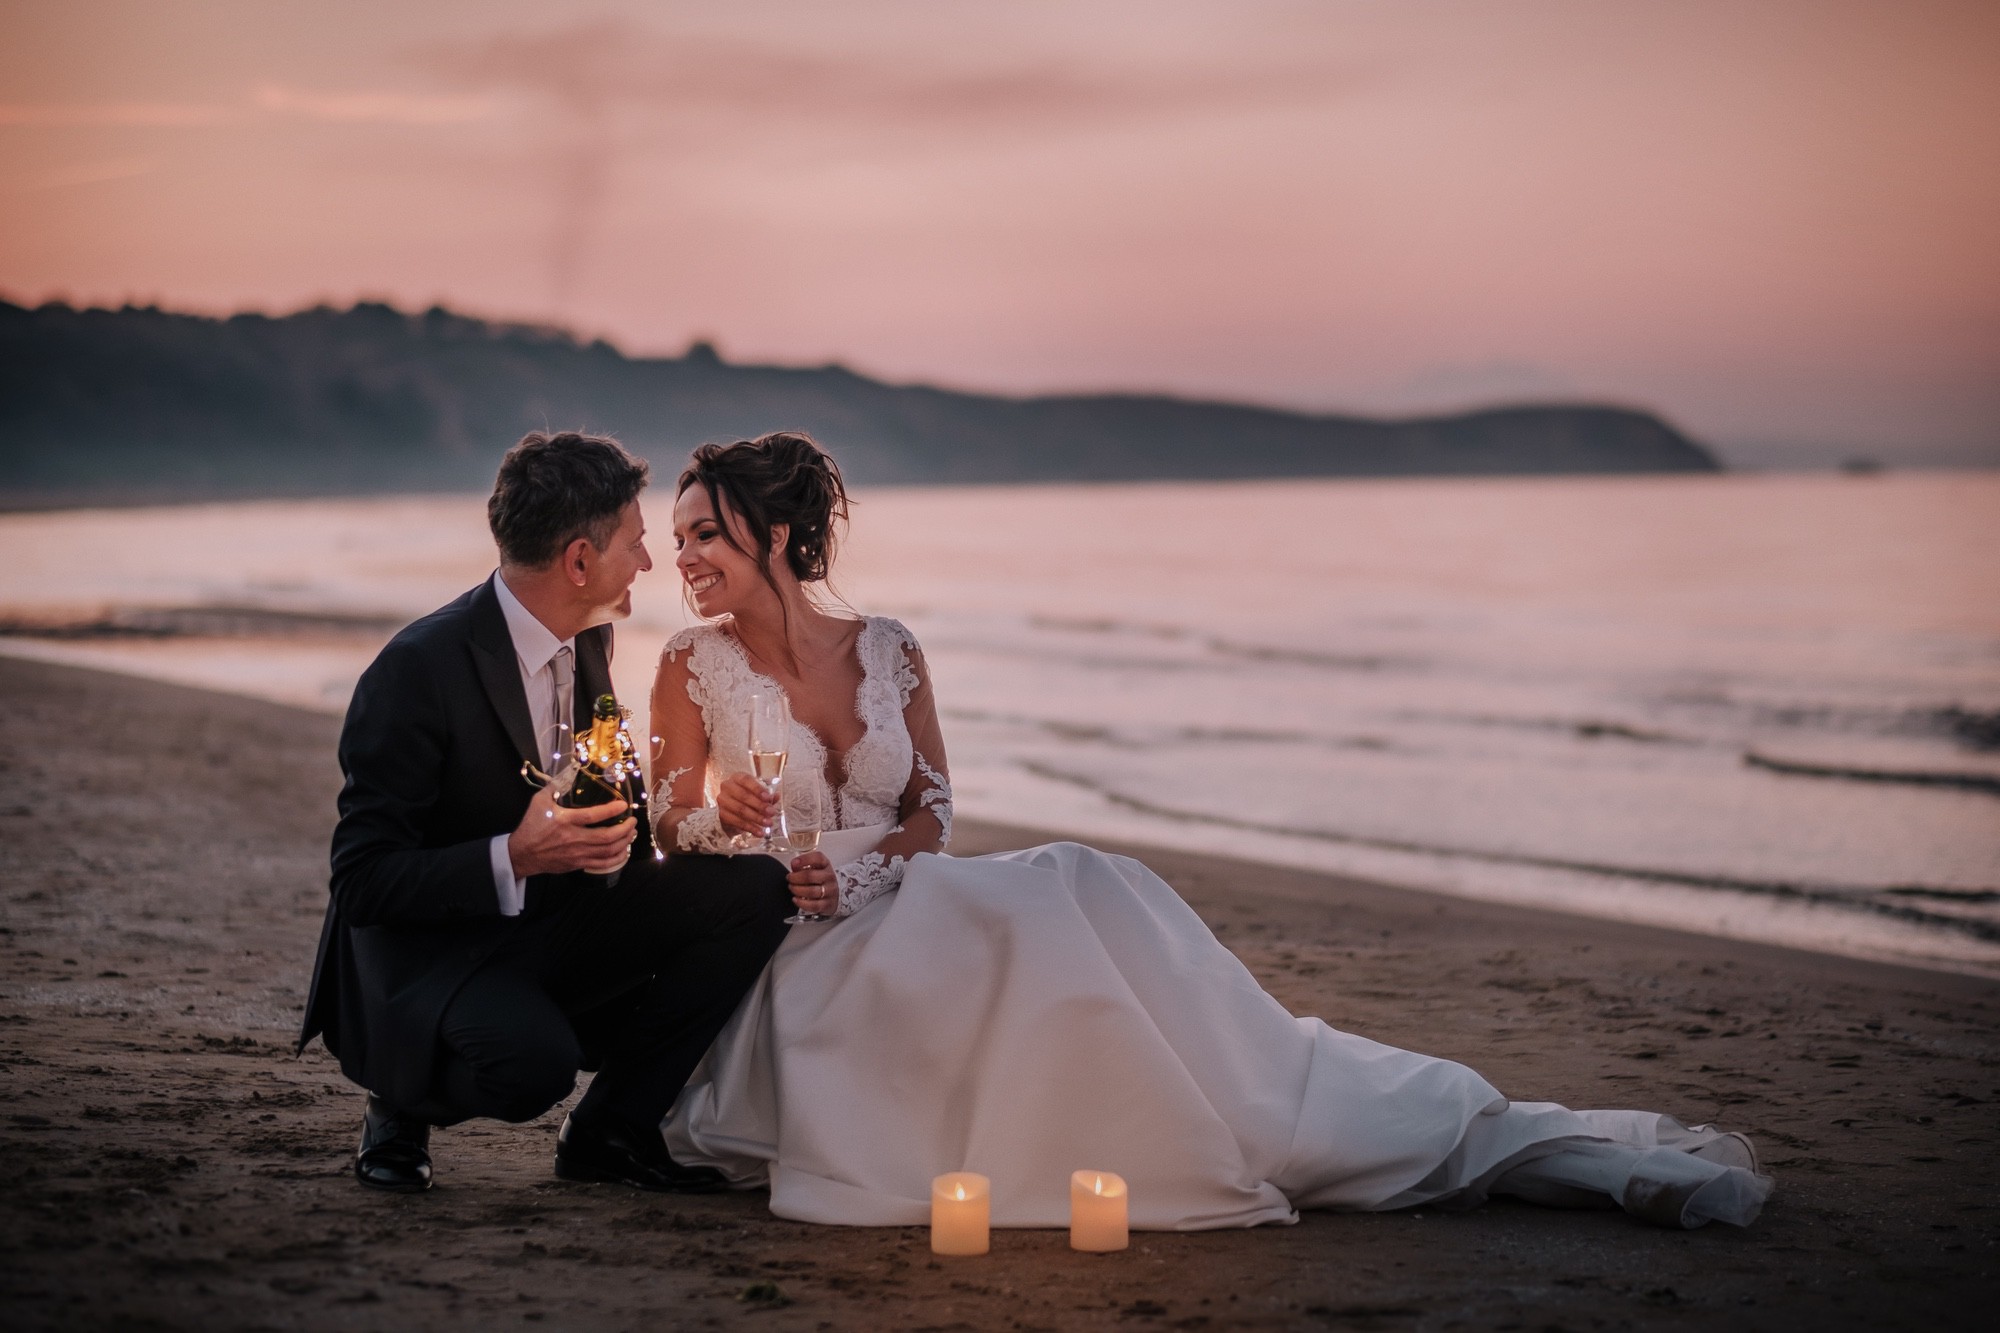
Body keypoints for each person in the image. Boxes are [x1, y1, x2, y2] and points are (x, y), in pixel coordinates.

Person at [649, 432, 1772, 1231]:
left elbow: (933, 805)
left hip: (897, 890)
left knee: (1084, 878)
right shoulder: (686, 665)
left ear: (775, 532)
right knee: (1025, 941)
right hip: (786, 933)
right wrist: (717, 815)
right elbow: (667, 816)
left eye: (703, 532)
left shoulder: (889, 646)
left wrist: (879, 872)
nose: (685, 555)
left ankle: (1285, 1103)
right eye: (678, 536)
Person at [297, 430, 793, 1195]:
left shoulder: (588, 635)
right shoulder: (414, 671)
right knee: (530, 1067)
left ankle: (609, 1130)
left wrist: (644, 825)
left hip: (555, 915)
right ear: (580, 561)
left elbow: (607, 789)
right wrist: (515, 855)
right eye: (636, 542)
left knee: (755, 891)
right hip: (440, 952)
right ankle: (399, 1098)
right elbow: (361, 883)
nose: (651, 561)